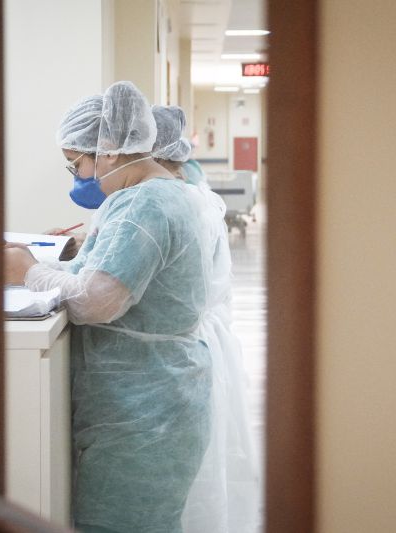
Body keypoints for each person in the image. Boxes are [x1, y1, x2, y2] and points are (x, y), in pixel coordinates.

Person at [4, 81, 217, 533]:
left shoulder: (145, 204)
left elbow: (97, 301)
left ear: (108, 150)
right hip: (151, 401)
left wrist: (25, 270)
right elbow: (95, 272)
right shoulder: (154, 195)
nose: (78, 176)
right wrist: (45, 257)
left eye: (76, 164)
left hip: (143, 410)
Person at [150, 106, 262, 533]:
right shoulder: (194, 196)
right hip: (201, 348)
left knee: (188, 485)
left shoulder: (175, 204)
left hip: (183, 353)